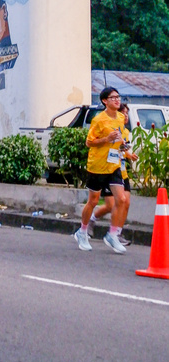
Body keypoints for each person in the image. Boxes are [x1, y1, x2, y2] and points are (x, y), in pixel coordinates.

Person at [74, 87, 127, 254]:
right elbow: (89, 142)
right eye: (113, 98)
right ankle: (82, 232)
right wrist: (106, 139)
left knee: (122, 199)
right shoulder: (98, 120)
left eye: (118, 97)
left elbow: (118, 138)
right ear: (105, 101)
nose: (117, 100)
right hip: (98, 165)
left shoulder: (120, 117)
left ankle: (112, 235)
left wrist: (122, 145)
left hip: (114, 164)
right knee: (93, 201)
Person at [88, 102, 137, 246]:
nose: (126, 116)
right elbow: (93, 142)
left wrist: (129, 154)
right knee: (110, 205)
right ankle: (91, 220)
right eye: (123, 113)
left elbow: (122, 148)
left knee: (125, 202)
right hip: (108, 169)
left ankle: (117, 233)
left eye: (127, 113)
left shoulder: (125, 132)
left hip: (121, 171)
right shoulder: (108, 127)